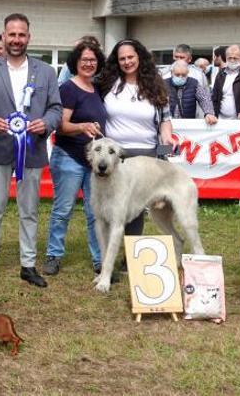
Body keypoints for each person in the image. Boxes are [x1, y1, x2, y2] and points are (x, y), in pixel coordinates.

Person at [0, 13, 62, 288]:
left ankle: (28, 264)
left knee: (29, 210)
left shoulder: (46, 71)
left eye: (21, 34)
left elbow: (56, 109)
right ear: (3, 35)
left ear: (28, 37)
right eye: (11, 34)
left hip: (32, 150)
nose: (16, 39)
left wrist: (45, 124)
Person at [43, 40, 107, 277]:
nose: (89, 64)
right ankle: (54, 255)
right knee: (63, 210)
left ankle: (99, 258)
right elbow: (60, 126)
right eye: (84, 60)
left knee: (95, 212)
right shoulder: (68, 88)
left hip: (93, 162)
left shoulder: (96, 87)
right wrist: (82, 127)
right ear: (75, 63)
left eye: (93, 60)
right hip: (68, 157)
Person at [97, 38, 173, 236]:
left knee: (136, 208)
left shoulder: (157, 86)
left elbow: (165, 119)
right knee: (112, 204)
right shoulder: (106, 85)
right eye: (122, 58)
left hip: (145, 155)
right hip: (115, 155)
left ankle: (130, 255)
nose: (127, 61)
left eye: (130, 56)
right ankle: (106, 252)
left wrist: (168, 137)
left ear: (139, 57)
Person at [211, 44, 240, 120]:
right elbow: (214, 96)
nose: (232, 60)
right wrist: (212, 113)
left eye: (235, 58)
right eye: (229, 58)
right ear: (225, 58)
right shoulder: (221, 74)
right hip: (220, 119)